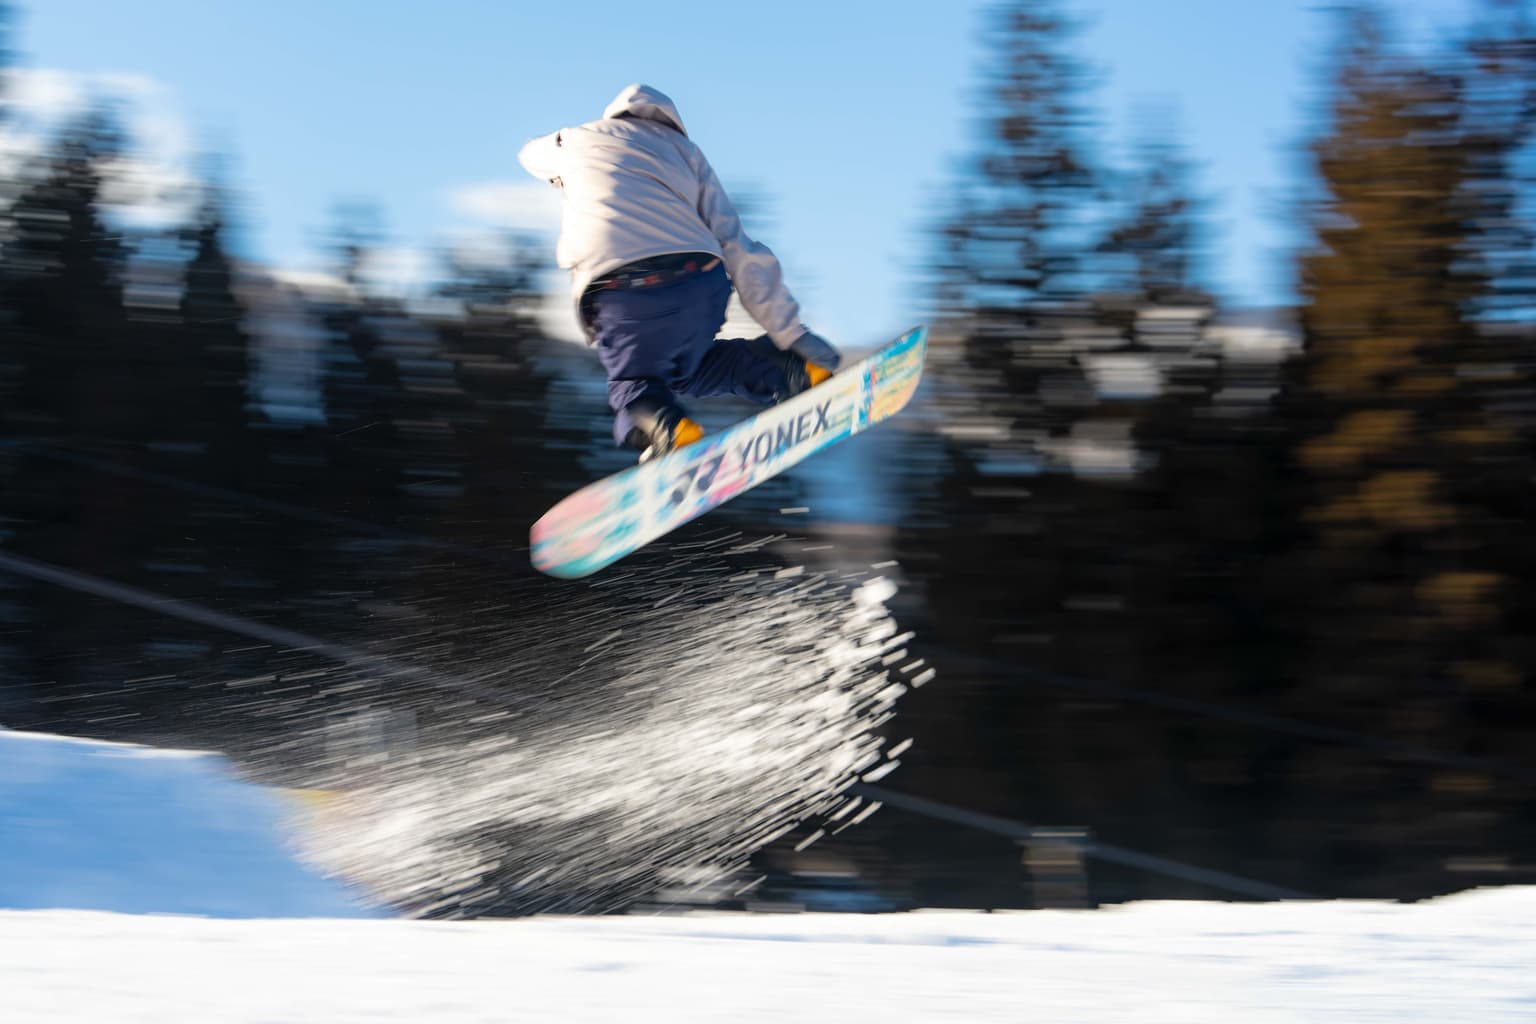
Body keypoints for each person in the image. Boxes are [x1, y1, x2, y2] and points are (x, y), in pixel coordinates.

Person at [518, 83, 842, 460]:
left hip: (623, 288)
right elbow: (738, 245)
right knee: (689, 370)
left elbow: (529, 154)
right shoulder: (687, 154)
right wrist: (791, 333)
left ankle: (667, 430)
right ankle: (790, 370)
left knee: (633, 386)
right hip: (699, 281)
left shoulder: (579, 139)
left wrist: (562, 170)